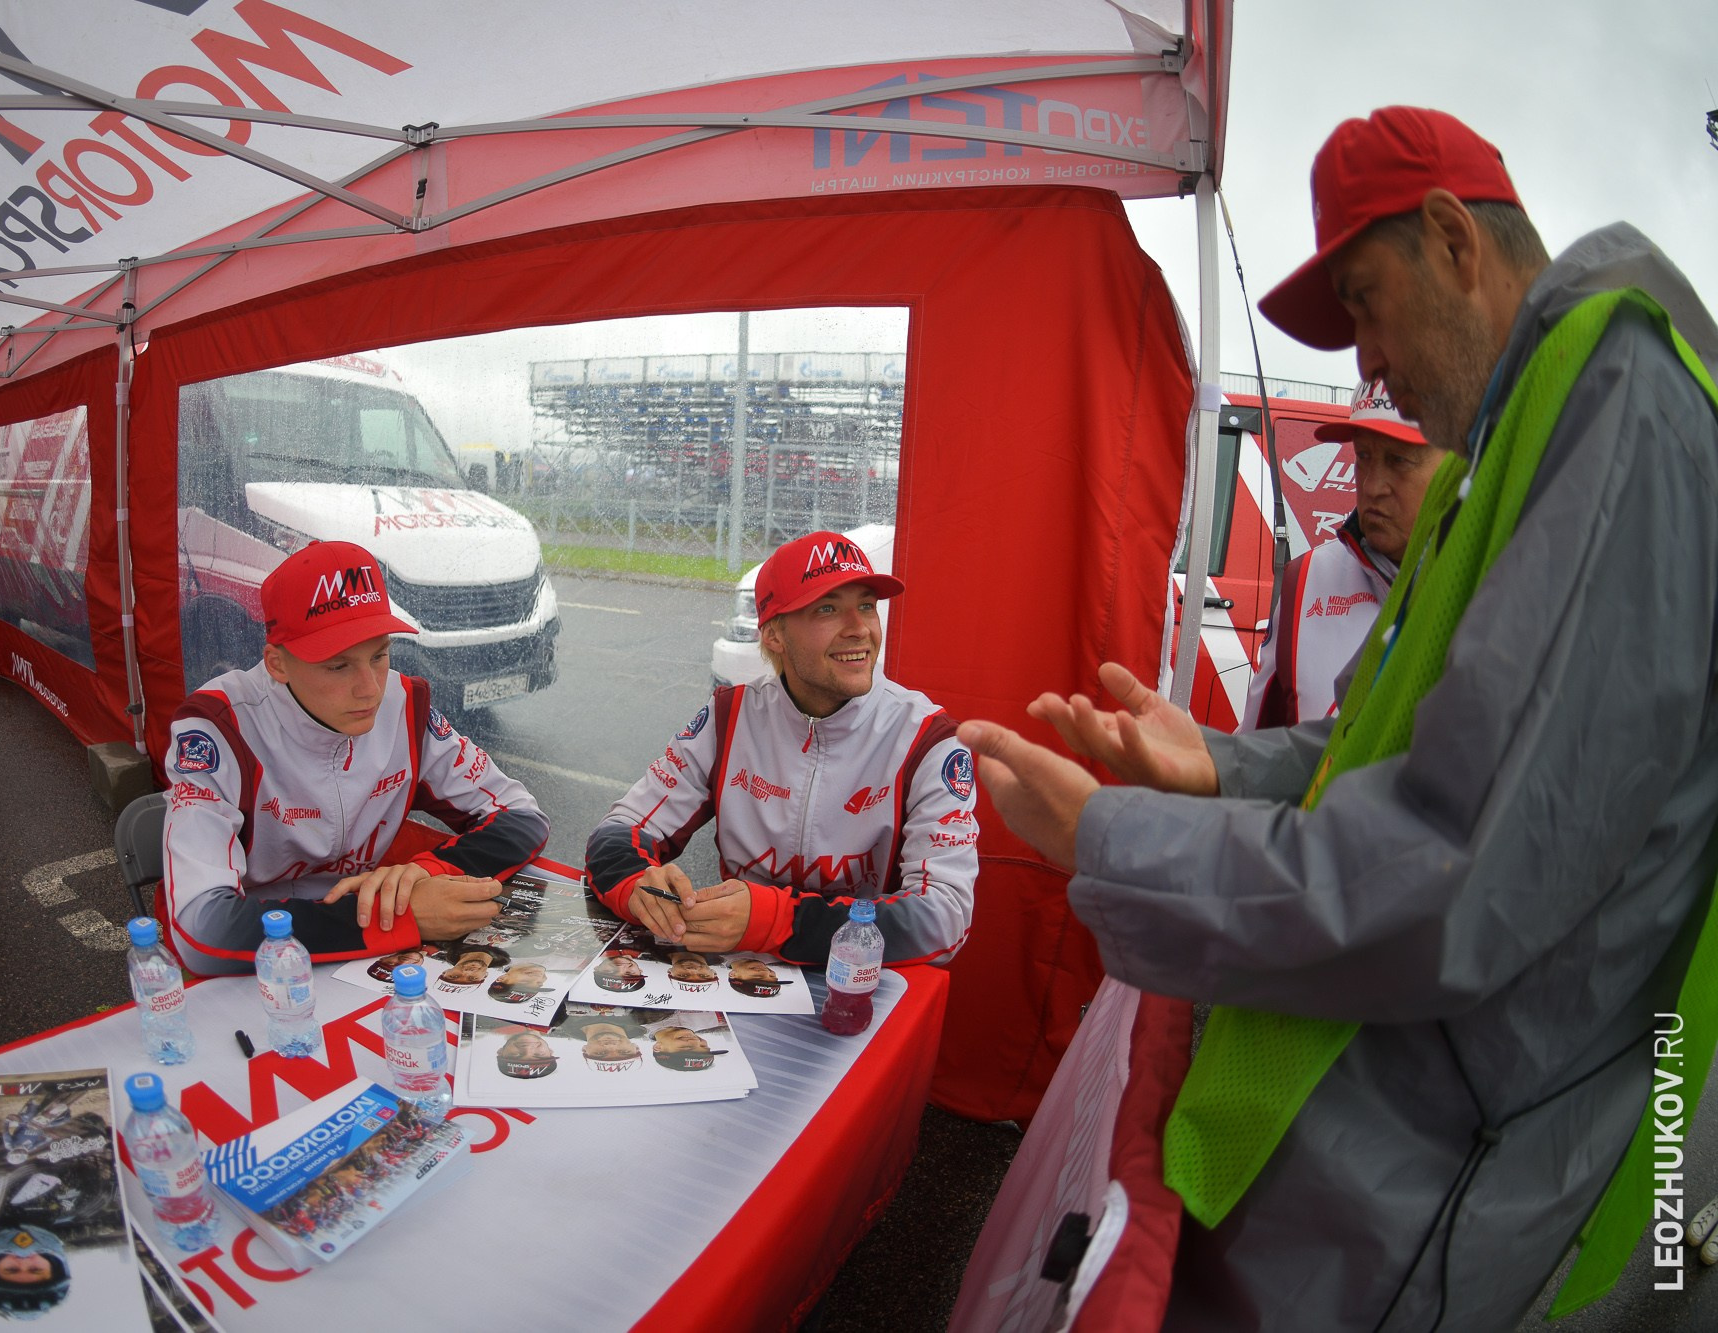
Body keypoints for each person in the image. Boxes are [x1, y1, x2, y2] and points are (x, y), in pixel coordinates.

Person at [958, 105, 1718, 1331]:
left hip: (1487, 1166)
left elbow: (1453, 870)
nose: (1362, 372)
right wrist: (1207, 762)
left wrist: (1110, 839)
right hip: (1431, 1138)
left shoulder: (1614, 388)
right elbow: (1379, 743)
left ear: (1452, 240)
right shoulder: (1504, 450)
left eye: (1362, 304)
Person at [585, 529, 976, 965]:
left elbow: (945, 917)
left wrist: (777, 921)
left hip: (857, 992)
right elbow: (619, 830)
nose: (859, 629)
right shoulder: (729, 717)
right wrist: (636, 887)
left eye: (866, 605)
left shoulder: (927, 740)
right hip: (735, 981)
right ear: (773, 635)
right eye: (828, 609)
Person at [161, 540, 549, 975]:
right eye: (338, 666)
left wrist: (424, 873)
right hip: (257, 964)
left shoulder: (403, 705)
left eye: (379, 655)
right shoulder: (218, 727)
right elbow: (203, 930)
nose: (370, 689)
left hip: (365, 947)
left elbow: (521, 814)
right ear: (277, 663)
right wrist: (401, 917)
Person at [1238, 378, 1444, 728]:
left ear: (1458, 464)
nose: (1371, 486)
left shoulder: (1496, 578)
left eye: (1398, 460)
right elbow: (1257, 748)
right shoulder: (1304, 580)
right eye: (1363, 456)